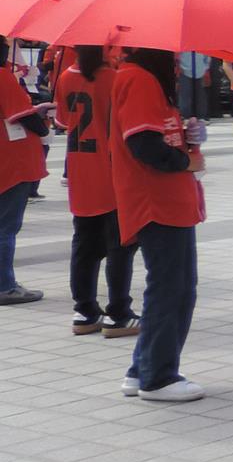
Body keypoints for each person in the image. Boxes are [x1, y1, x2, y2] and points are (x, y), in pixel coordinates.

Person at [110, 47, 206, 402]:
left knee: (170, 287)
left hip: (165, 200)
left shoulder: (141, 78)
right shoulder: (140, 79)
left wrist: (186, 135)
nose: (178, 60)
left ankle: (142, 368)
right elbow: (144, 145)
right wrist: (185, 161)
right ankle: (158, 377)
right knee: (173, 289)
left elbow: (154, 134)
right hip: (158, 200)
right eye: (175, 55)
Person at [52, 46, 135, 333]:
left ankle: (84, 311)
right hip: (111, 170)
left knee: (84, 245)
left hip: (80, 171)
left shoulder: (66, 77)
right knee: (119, 247)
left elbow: (63, 121)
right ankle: (119, 312)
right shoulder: (114, 77)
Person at [0, 37, 50, 305]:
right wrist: (40, 120)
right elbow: (24, 116)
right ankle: (4, 286)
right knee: (6, 227)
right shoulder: (2, 77)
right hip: (10, 161)